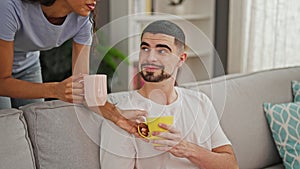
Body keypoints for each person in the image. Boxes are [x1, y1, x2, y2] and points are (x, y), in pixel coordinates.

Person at [100, 20, 238, 169]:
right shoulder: (122, 115)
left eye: (162, 50)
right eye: (145, 48)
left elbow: (231, 165)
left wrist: (187, 149)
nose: (150, 58)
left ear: (181, 59)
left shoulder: (200, 102)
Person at [0, 0, 145, 135]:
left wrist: (117, 116)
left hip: (28, 64)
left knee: (37, 126)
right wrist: (55, 90)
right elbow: (2, 83)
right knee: (6, 127)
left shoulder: (83, 20)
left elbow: (82, 87)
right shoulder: (9, 7)